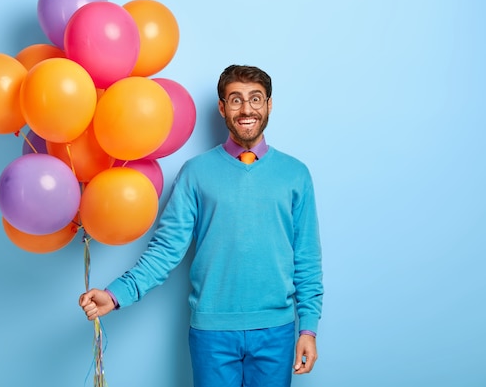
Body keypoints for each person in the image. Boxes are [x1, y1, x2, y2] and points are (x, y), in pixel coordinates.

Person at [79, 65, 324, 387]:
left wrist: (307, 328)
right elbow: (166, 250)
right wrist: (116, 295)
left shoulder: (296, 174)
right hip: (211, 333)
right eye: (236, 100)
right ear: (222, 107)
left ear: (269, 105)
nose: (247, 109)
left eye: (256, 99)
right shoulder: (196, 173)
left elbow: (307, 259)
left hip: (276, 331)